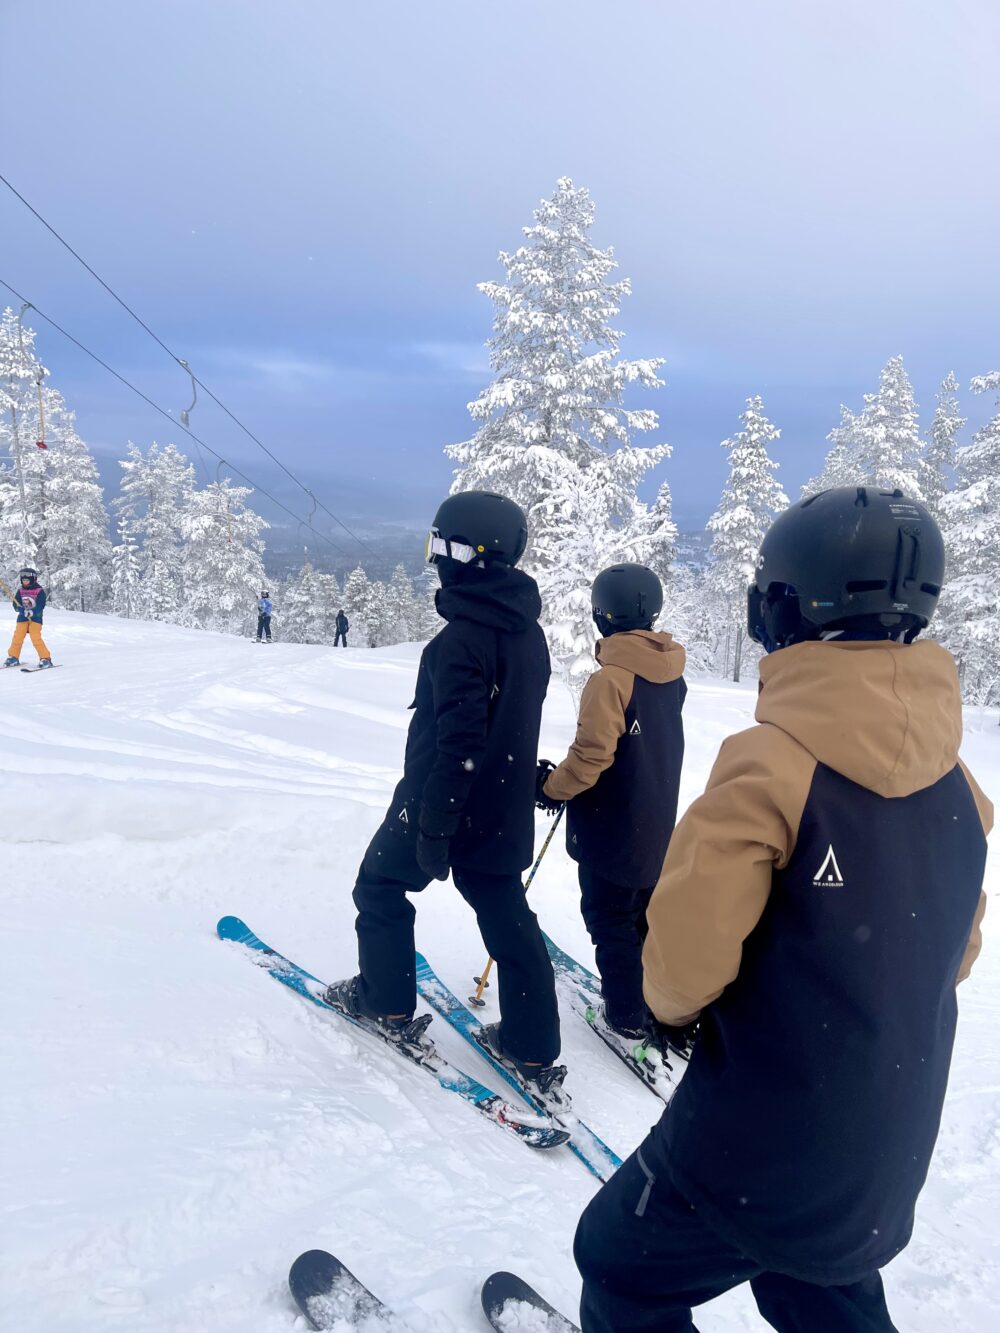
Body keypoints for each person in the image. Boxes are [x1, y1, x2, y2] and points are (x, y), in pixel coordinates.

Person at [574, 487, 991, 1333]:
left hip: (756, 1135)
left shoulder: (773, 765)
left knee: (618, 1267)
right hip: (884, 1145)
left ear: (787, 605)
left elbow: (684, 957)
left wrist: (672, 1011)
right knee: (816, 1279)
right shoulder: (964, 790)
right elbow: (952, 952)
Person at [326, 491, 563, 1102]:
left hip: (441, 799)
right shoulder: (525, 633)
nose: (436, 559)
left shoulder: (463, 639)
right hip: (501, 805)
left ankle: (385, 1004)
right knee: (506, 914)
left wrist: (434, 827)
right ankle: (532, 1044)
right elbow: (511, 723)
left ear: (472, 556)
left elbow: (459, 743)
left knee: (379, 886)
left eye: (444, 547)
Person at [537, 563, 686, 1050]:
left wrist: (549, 788)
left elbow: (592, 758)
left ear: (603, 614)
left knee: (609, 920)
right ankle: (655, 1006)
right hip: (657, 822)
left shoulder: (611, 680)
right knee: (643, 918)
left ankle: (625, 1015)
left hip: (614, 826)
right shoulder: (670, 675)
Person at [5, 567, 53, 668]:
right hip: (22, 618)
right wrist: (19, 609)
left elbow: (40, 605)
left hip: (35, 619)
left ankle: (45, 658)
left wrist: (32, 612)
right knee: (17, 637)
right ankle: (13, 657)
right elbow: (15, 603)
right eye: (23, 580)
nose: (25, 582)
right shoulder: (20, 590)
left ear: (33, 580)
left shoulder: (39, 591)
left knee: (35, 637)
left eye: (27, 580)